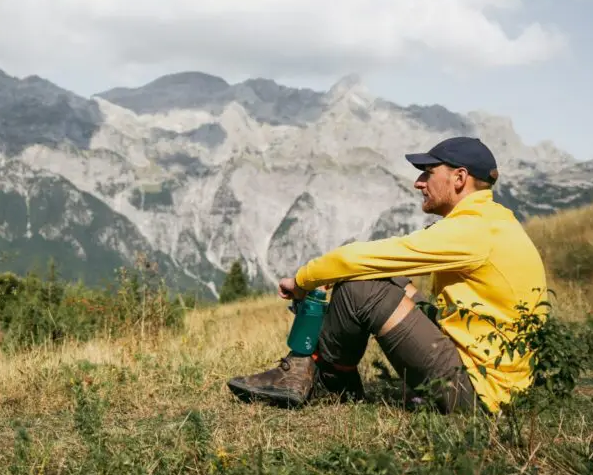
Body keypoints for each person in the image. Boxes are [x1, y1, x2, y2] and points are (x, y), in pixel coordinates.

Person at [227, 136, 549, 414]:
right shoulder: (492, 220)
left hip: (479, 393)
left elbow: (355, 259)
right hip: (499, 379)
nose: (418, 182)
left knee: (361, 288)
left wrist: (301, 281)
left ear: (459, 178)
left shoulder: (472, 230)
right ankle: (325, 374)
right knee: (387, 279)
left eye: (428, 173)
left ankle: (326, 380)